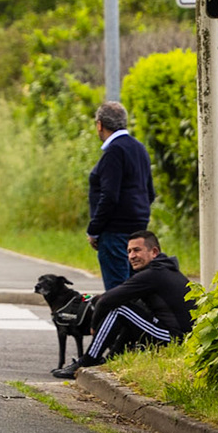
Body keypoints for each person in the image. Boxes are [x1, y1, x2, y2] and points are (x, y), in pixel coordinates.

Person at [53, 231, 191, 378]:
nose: (132, 256)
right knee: (130, 311)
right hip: (179, 336)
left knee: (121, 310)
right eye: (129, 251)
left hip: (174, 339)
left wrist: (94, 326)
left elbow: (106, 300)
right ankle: (110, 360)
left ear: (154, 252)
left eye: (137, 250)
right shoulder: (166, 270)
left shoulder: (152, 275)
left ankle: (87, 361)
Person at [88, 101, 155, 291]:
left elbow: (109, 196)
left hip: (115, 232)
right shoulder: (139, 149)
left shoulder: (114, 152)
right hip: (139, 231)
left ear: (100, 124)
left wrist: (94, 229)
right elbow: (149, 192)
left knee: (118, 292)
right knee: (136, 288)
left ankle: (120, 322)